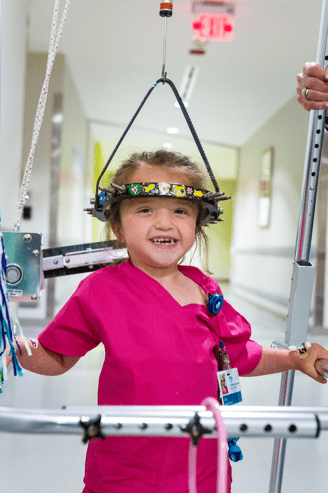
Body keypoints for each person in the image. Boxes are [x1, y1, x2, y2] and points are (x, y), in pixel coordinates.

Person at [6, 150, 328, 493]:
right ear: (117, 225)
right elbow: (57, 356)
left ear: (196, 224)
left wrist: (296, 357)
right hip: (122, 471)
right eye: (145, 209)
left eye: (180, 211)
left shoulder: (205, 290)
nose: (164, 223)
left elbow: (235, 356)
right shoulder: (98, 290)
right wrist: (17, 345)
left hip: (199, 467)